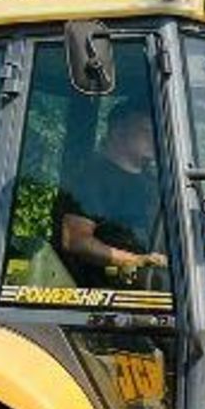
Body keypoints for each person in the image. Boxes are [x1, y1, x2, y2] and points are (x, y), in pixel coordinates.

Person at [58, 104, 168, 287]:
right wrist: (135, 261)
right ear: (118, 131)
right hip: (106, 294)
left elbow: (161, 237)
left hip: (157, 288)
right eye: (146, 130)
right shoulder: (91, 179)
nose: (154, 138)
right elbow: (75, 240)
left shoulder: (155, 183)